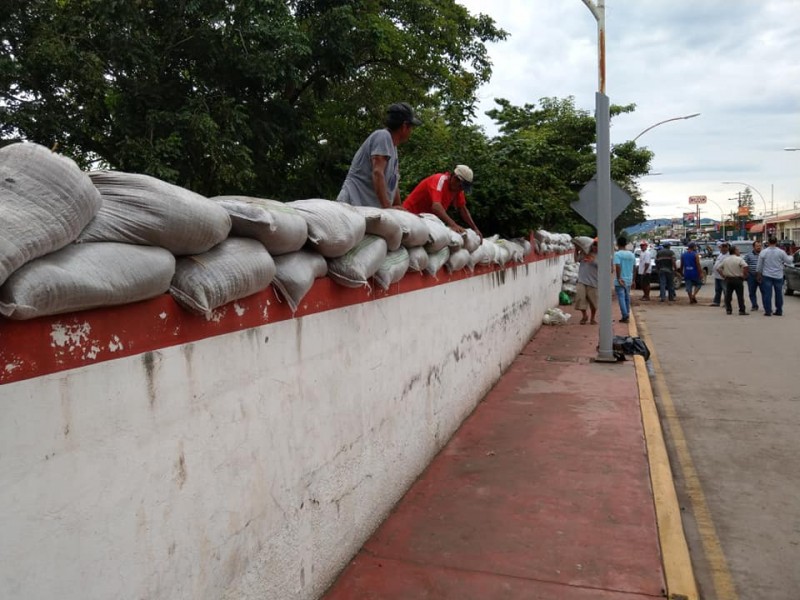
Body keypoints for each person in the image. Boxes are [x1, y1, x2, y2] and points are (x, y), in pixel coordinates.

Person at [337, 102, 421, 209]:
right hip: (352, 205)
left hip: (364, 209)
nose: (411, 131)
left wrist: (398, 207)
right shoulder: (383, 136)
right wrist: (388, 208)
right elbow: (377, 172)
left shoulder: (393, 148)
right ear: (404, 126)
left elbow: (393, 184)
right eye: (411, 127)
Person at [403, 165, 482, 238]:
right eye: (460, 186)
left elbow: (463, 209)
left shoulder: (457, 190)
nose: (461, 189)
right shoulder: (439, 180)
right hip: (410, 215)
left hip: (426, 221)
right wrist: (453, 225)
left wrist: (475, 228)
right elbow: (436, 207)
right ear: (455, 178)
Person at [756, 237, 794, 316]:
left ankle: (768, 311)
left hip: (767, 275)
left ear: (768, 242)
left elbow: (759, 265)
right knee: (778, 294)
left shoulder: (763, 252)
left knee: (767, 294)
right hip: (778, 276)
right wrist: (791, 254)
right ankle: (779, 310)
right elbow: (789, 261)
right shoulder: (781, 252)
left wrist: (759, 275)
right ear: (776, 242)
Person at [717, 245, 749, 315]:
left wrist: (723, 275)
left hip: (728, 279)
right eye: (737, 250)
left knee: (728, 295)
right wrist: (745, 275)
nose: (739, 251)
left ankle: (728, 310)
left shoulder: (726, 259)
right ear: (734, 251)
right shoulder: (739, 259)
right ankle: (742, 310)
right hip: (738, 279)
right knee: (740, 296)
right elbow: (746, 266)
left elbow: (718, 268)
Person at [574, 240, 599, 325]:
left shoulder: (602, 256)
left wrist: (593, 261)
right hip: (582, 280)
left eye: (597, 246)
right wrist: (576, 251)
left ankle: (592, 318)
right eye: (594, 245)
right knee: (580, 299)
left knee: (593, 302)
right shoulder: (584, 253)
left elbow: (605, 268)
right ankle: (584, 316)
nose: (595, 247)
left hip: (594, 282)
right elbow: (576, 259)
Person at [613, 236, 636, 323]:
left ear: (618, 244)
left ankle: (625, 315)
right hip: (629, 279)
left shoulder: (617, 254)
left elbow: (618, 266)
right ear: (626, 244)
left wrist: (619, 278)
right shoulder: (631, 254)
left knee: (621, 297)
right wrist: (633, 280)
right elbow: (634, 268)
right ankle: (627, 313)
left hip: (620, 280)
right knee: (627, 297)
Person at [743, 240, 763, 311]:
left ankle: (766, 306)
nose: (759, 247)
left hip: (762, 276)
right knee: (752, 292)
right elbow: (744, 264)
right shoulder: (748, 255)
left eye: (760, 246)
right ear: (753, 247)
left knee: (764, 292)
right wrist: (746, 274)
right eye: (757, 246)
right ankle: (754, 305)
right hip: (751, 276)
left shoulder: (764, 254)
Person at [710, 241, 729, 307]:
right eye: (722, 247)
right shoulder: (721, 254)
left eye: (724, 247)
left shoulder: (728, 255)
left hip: (723, 275)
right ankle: (716, 302)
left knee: (725, 290)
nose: (723, 248)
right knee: (717, 290)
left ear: (727, 248)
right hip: (717, 276)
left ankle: (727, 303)